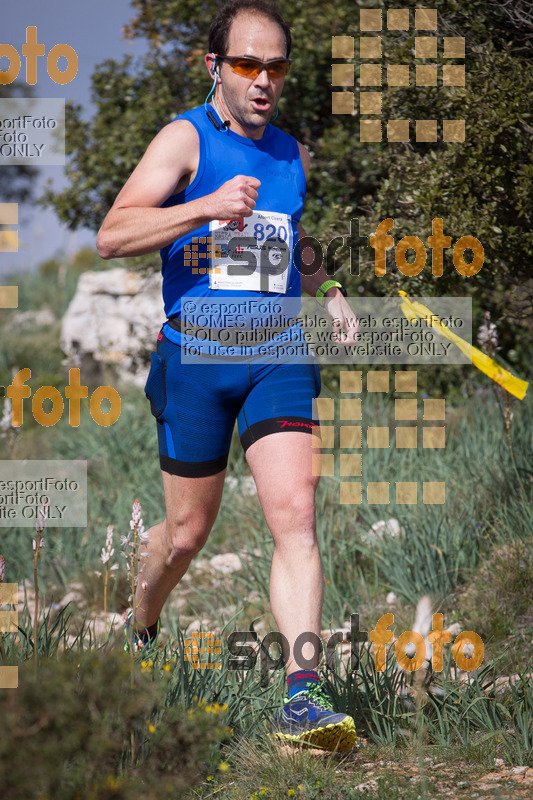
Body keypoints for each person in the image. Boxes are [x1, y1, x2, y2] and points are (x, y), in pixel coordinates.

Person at [97, 0, 359, 751]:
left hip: (278, 350)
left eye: (275, 65)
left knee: (295, 518)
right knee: (186, 534)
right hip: (197, 356)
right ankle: (139, 624)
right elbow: (113, 234)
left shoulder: (290, 154)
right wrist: (204, 205)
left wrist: (329, 289)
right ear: (216, 67)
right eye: (247, 64)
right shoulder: (184, 138)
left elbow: (286, 240)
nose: (263, 79)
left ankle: (301, 701)